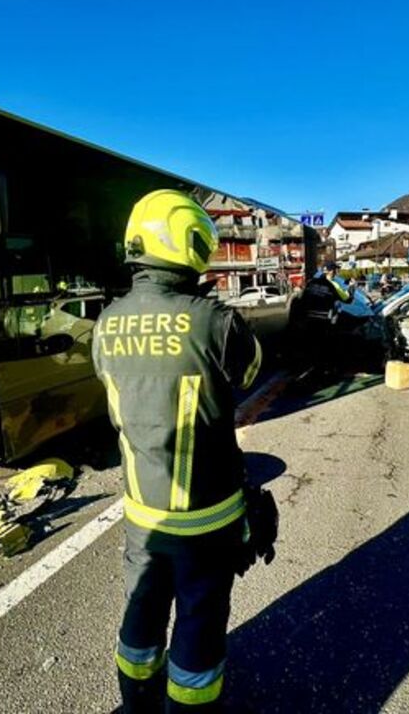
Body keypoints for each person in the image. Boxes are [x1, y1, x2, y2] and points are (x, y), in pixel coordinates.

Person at [93, 189, 276, 713]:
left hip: (142, 514)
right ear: (187, 243)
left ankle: (135, 704)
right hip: (207, 517)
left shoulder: (106, 324)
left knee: (141, 611)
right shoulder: (215, 321)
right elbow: (247, 371)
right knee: (198, 622)